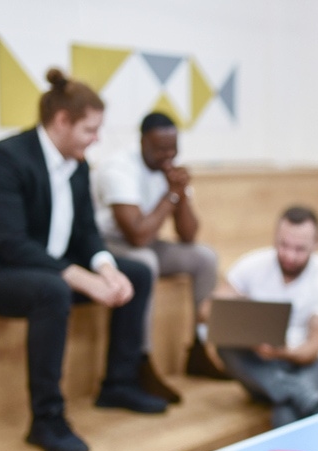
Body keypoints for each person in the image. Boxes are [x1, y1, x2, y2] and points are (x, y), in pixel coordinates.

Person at [0, 68, 168, 451]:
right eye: (90, 129)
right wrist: (80, 277)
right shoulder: (5, 158)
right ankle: (47, 418)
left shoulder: (78, 166)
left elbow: (87, 234)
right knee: (53, 290)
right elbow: (11, 244)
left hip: (44, 265)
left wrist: (106, 269)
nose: (97, 139)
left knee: (137, 273)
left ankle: (119, 384)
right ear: (62, 121)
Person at [92, 112, 225, 397]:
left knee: (205, 257)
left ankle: (200, 348)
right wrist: (171, 197)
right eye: (160, 149)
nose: (168, 155)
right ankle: (143, 360)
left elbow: (188, 235)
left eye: (173, 148)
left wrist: (181, 194)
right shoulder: (118, 168)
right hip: (108, 245)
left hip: (148, 240)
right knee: (145, 262)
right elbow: (136, 236)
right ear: (142, 143)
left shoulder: (171, 173)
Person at [213, 205, 318, 429]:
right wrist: (247, 330)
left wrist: (281, 352)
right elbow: (208, 311)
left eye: (299, 249)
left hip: (305, 365)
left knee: (285, 416)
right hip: (257, 360)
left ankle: (278, 391)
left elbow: (312, 350)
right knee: (226, 347)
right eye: (283, 245)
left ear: (317, 243)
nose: (289, 255)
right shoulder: (252, 265)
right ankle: (307, 399)